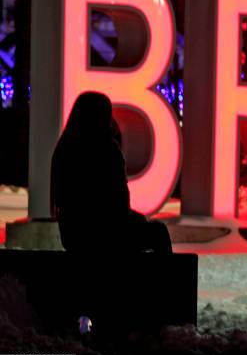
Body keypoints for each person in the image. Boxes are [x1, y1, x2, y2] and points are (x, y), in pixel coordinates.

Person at [50, 92, 172, 254]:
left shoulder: (64, 148)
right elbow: (117, 207)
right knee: (158, 232)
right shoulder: (107, 149)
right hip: (107, 235)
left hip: (74, 237)